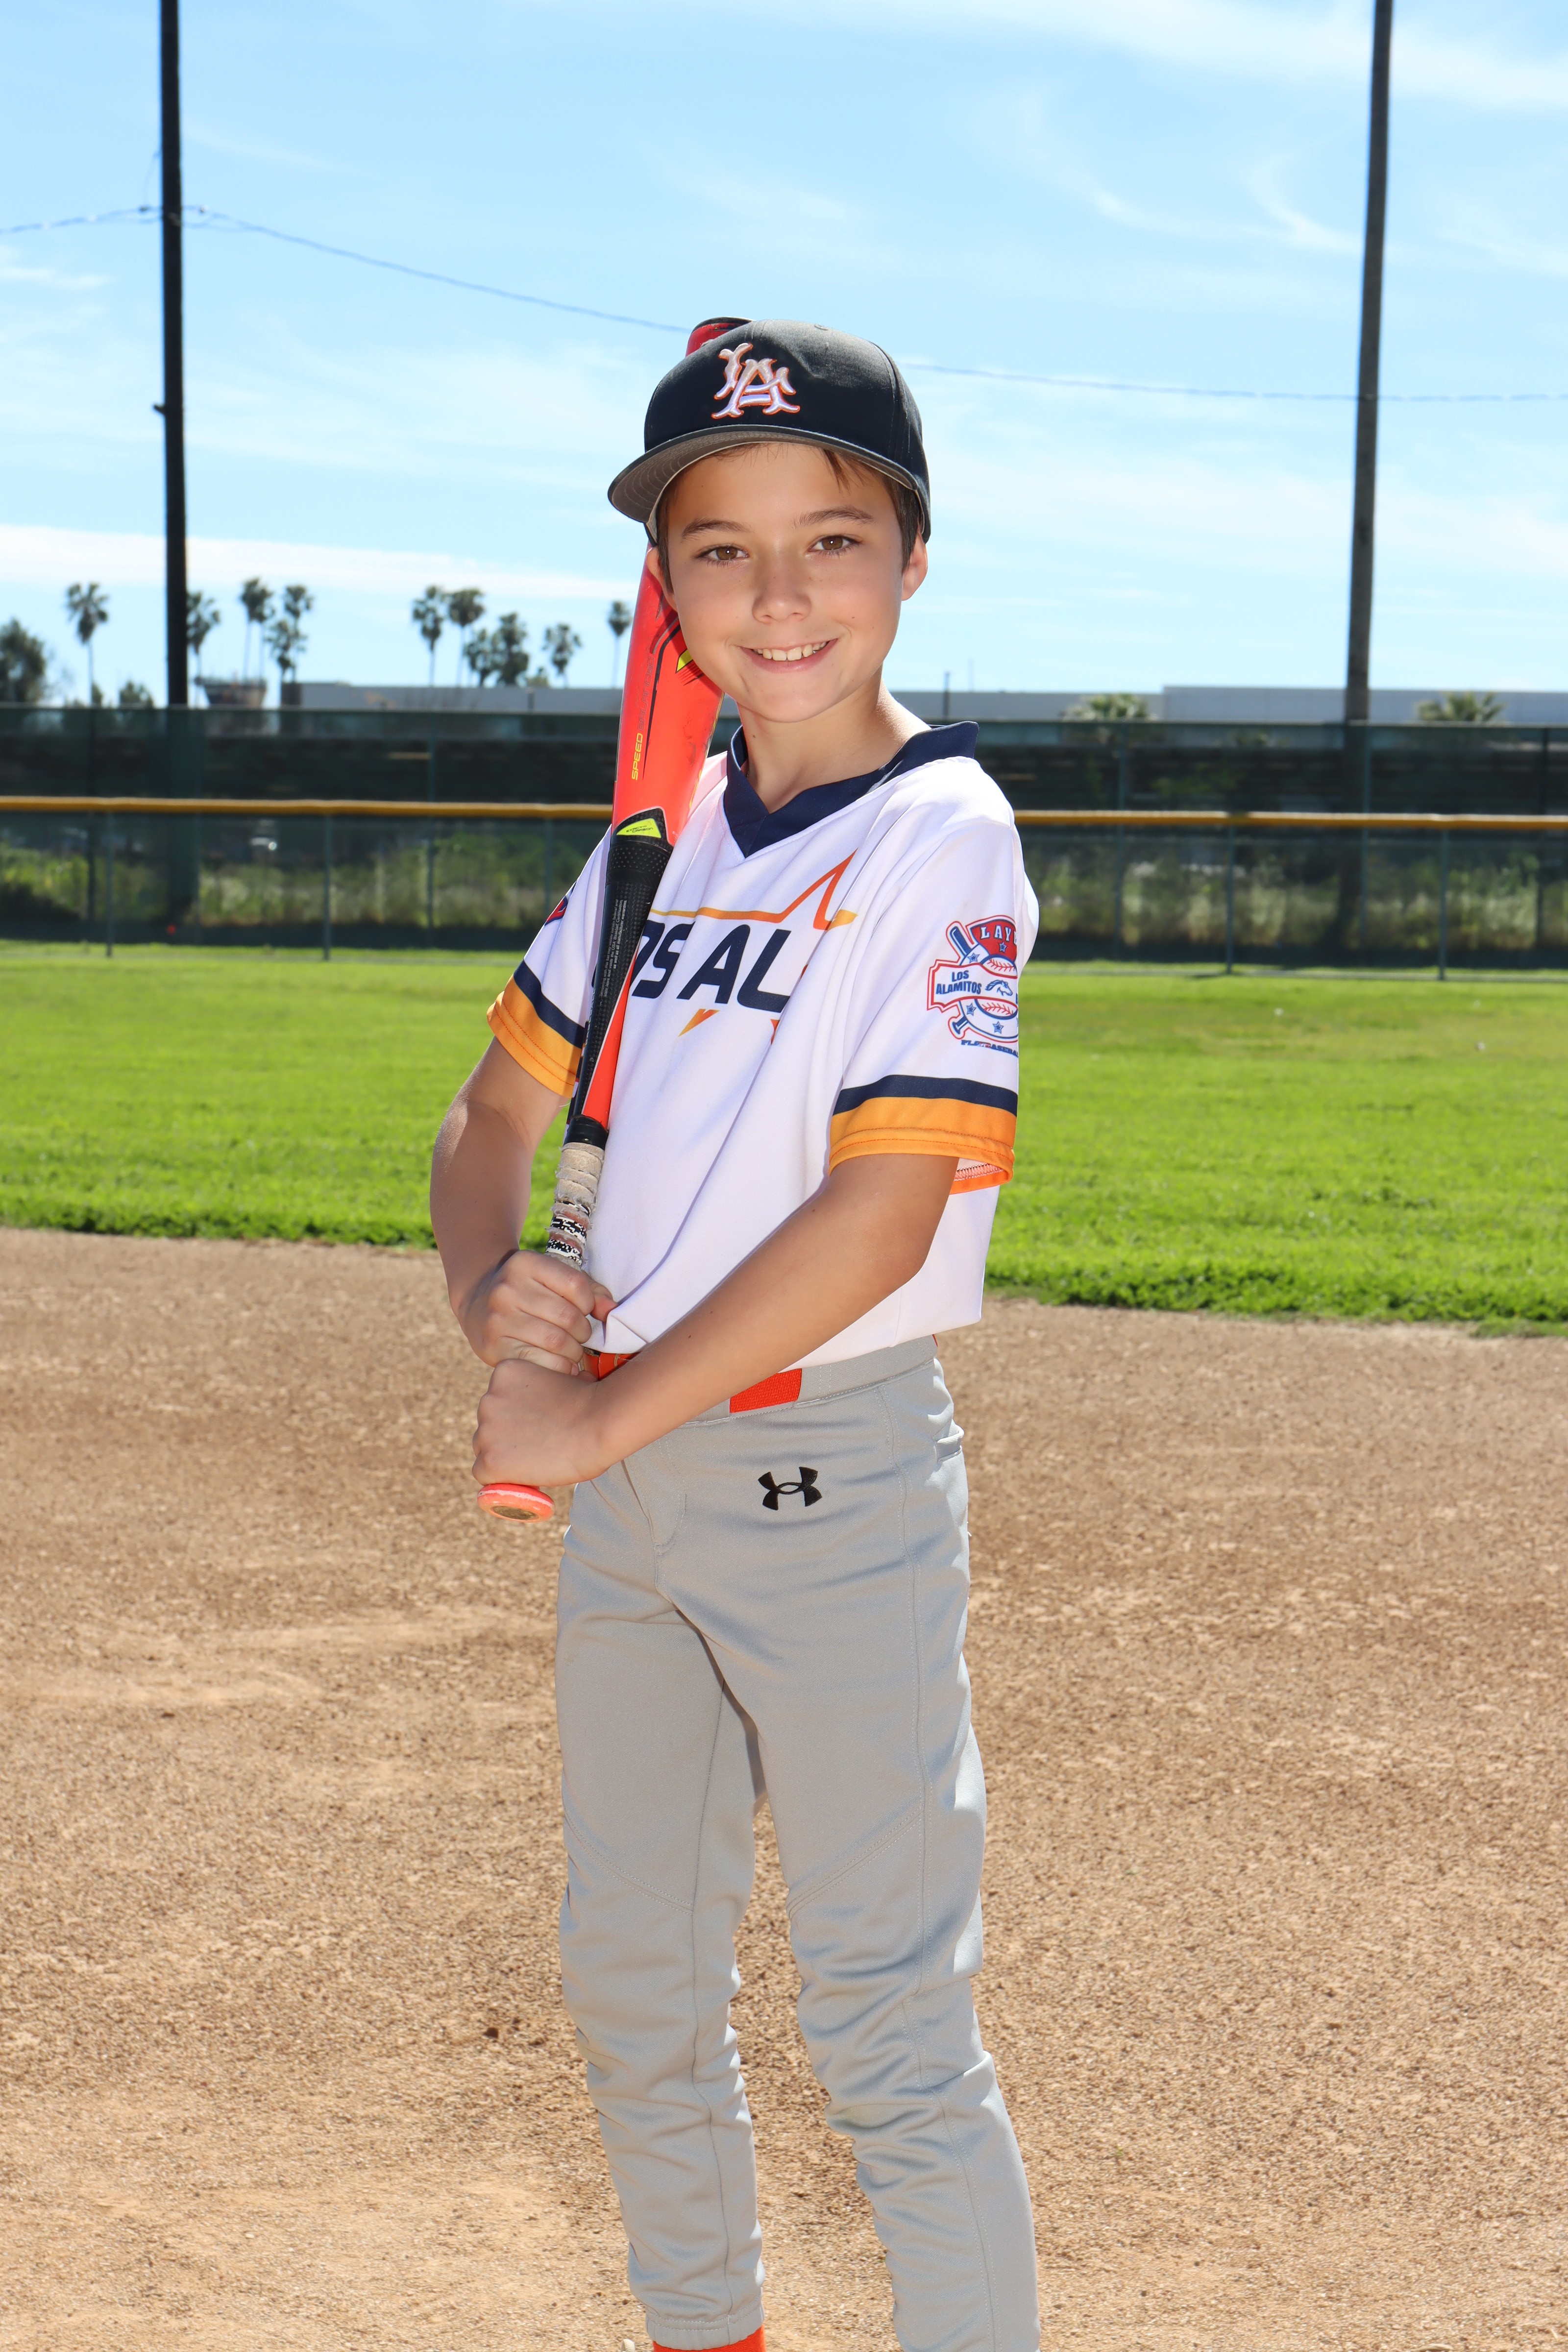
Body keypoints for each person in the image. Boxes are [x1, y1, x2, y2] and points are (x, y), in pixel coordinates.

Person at [430, 319, 1040, 2352]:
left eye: (832, 540)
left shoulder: (941, 832)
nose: (779, 595)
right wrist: (493, 1299)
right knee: (630, 1981)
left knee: (886, 2027)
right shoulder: (655, 836)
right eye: (721, 548)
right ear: (666, 586)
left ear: (912, 559)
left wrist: (590, 1425)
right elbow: (486, 1125)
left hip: (825, 1485)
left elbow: (884, 1215)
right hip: (629, 1490)